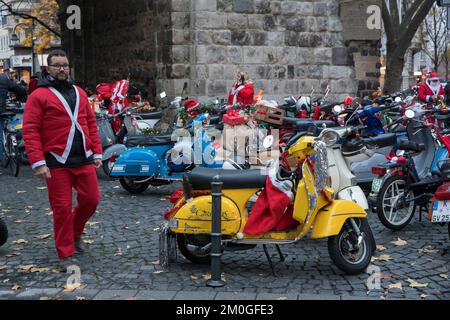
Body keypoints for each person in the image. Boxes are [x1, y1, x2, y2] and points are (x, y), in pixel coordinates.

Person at [23, 50, 103, 270]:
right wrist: (38, 162)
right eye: (57, 65)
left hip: (83, 158)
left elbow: (90, 123)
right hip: (56, 161)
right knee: (62, 208)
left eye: (65, 65)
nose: (61, 69)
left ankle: (75, 233)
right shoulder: (38, 96)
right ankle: (66, 253)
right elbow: (30, 130)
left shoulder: (79, 93)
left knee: (92, 199)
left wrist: (97, 152)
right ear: (47, 69)